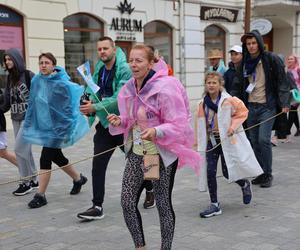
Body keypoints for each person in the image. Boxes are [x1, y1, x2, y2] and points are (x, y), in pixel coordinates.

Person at [107, 44, 200, 250]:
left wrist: (157, 131)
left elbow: (179, 123)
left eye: (139, 60)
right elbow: (131, 119)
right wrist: (119, 121)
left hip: (157, 156)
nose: (133, 64)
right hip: (137, 152)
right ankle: (140, 246)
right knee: (127, 202)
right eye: (131, 60)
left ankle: (165, 247)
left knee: (162, 204)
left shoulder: (164, 88)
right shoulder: (130, 87)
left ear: (151, 63)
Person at [22, 52, 89, 208]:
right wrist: (30, 123)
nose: (43, 65)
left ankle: (40, 195)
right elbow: (33, 103)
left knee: (45, 157)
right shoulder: (37, 80)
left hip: (58, 129)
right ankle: (79, 179)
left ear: (53, 65)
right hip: (45, 127)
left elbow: (69, 108)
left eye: (46, 62)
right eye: (41, 63)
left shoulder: (62, 83)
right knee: (57, 156)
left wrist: (66, 129)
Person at [77, 36, 132, 220]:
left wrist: (95, 107)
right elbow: (93, 91)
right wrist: (88, 106)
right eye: (99, 49)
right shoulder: (100, 68)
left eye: (105, 48)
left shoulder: (124, 69)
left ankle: (149, 189)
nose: (102, 52)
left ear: (114, 49)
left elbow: (120, 98)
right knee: (98, 165)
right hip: (106, 126)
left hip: (123, 123)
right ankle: (97, 205)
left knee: (136, 162)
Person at [196, 72, 262, 218]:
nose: (211, 85)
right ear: (205, 85)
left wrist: (233, 126)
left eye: (214, 83)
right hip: (211, 142)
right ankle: (214, 204)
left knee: (227, 173)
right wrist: (199, 142)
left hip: (227, 141)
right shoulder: (201, 104)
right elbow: (200, 125)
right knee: (210, 171)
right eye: (209, 83)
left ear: (220, 85)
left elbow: (242, 112)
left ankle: (244, 184)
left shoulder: (230, 101)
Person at [231, 30, 290, 188]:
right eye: (248, 44)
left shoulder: (271, 59)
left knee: (264, 140)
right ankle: (260, 172)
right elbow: (237, 85)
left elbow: (282, 81)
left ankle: (268, 173)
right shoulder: (244, 63)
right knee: (254, 142)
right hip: (250, 108)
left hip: (267, 106)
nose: (251, 46)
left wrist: (285, 103)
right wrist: (231, 103)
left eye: (253, 43)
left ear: (259, 43)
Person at [1, 48, 38, 196]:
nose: (8, 62)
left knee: (18, 149)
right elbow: (6, 102)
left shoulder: (29, 76)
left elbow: (41, 93)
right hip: (15, 118)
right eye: (6, 60)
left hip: (28, 119)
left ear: (16, 59)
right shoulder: (10, 78)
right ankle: (34, 179)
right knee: (25, 150)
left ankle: (25, 182)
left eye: (10, 59)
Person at [286, 54, 300, 137]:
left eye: (291, 59)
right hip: (292, 93)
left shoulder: (298, 69)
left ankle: (286, 131)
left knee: (292, 110)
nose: (289, 60)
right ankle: (298, 129)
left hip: (298, 93)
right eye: (288, 59)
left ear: (295, 60)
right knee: (293, 111)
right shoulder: (288, 70)